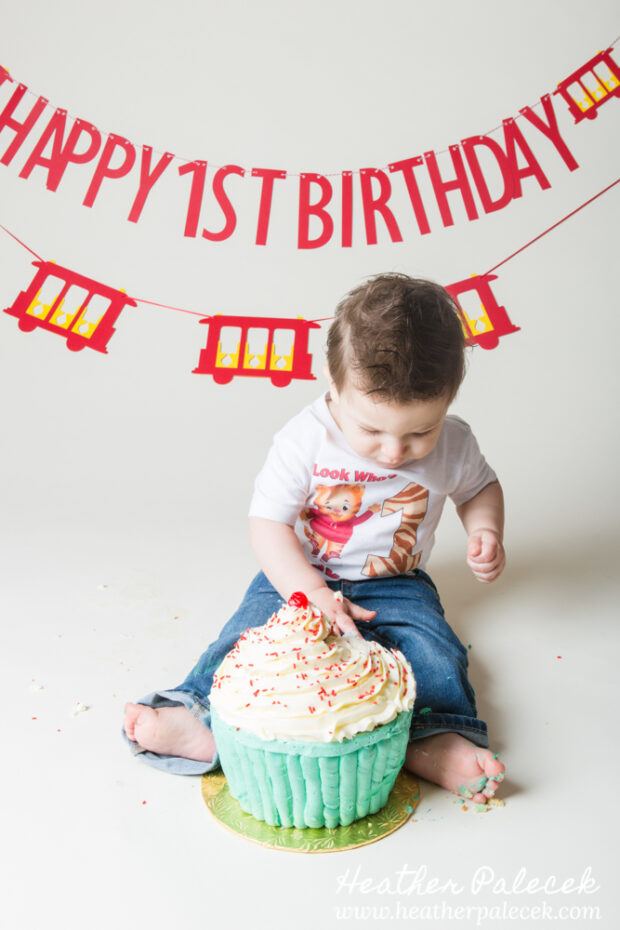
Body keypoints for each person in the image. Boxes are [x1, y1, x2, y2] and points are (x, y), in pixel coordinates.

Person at [124, 273, 506, 805]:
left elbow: (479, 487)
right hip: (300, 577)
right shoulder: (305, 440)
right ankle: (202, 718)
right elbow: (268, 524)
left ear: (448, 401)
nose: (395, 452)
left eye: (420, 433)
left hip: (396, 584)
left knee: (434, 650)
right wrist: (308, 592)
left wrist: (485, 528)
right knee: (244, 638)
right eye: (372, 431)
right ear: (332, 380)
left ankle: (433, 736)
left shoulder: (455, 444)